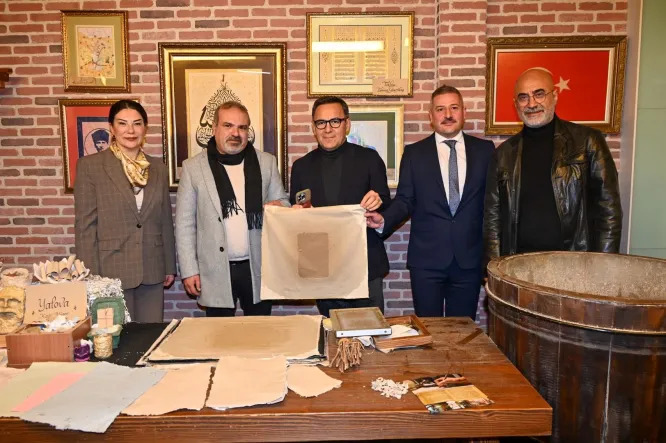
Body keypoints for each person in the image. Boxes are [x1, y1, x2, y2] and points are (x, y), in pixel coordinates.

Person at [366, 85, 494, 320]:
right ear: (431, 116)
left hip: (469, 259)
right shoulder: (414, 154)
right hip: (426, 261)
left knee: (462, 330)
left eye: (454, 108)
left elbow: (492, 204)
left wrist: (493, 254)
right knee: (428, 329)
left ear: (464, 112)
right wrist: (384, 219)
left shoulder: (485, 151)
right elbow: (405, 200)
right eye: (440, 109)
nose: (448, 114)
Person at [484, 67, 622, 260]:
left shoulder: (588, 141)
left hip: (575, 263)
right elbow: (493, 218)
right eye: (523, 97)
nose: (532, 103)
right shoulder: (503, 154)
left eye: (539, 94)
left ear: (554, 96)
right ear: (516, 104)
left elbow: (608, 210)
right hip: (519, 265)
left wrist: (603, 264)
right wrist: (494, 266)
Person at [175, 101, 289, 317]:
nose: (236, 133)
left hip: (258, 267)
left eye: (242, 127)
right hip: (215, 269)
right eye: (228, 126)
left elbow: (283, 202)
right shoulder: (193, 168)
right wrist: (189, 270)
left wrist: (279, 206)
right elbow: (184, 224)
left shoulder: (266, 162)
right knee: (219, 333)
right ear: (214, 128)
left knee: (261, 331)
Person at [75, 100, 176, 322]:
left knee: (150, 335)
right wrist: (90, 275)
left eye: (137, 124)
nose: (130, 130)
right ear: (112, 128)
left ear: (145, 128)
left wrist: (169, 265)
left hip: (152, 268)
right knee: (114, 335)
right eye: (123, 123)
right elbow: (85, 227)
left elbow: (165, 220)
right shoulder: (90, 166)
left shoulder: (158, 168)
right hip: (110, 271)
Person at [290, 96, 390, 317]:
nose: (328, 129)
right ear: (313, 127)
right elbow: (297, 209)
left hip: (365, 265)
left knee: (370, 331)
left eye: (335, 121)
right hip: (323, 268)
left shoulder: (369, 158)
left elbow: (386, 203)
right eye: (321, 123)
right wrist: (295, 215)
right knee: (332, 331)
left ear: (347, 124)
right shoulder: (301, 167)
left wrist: (378, 203)